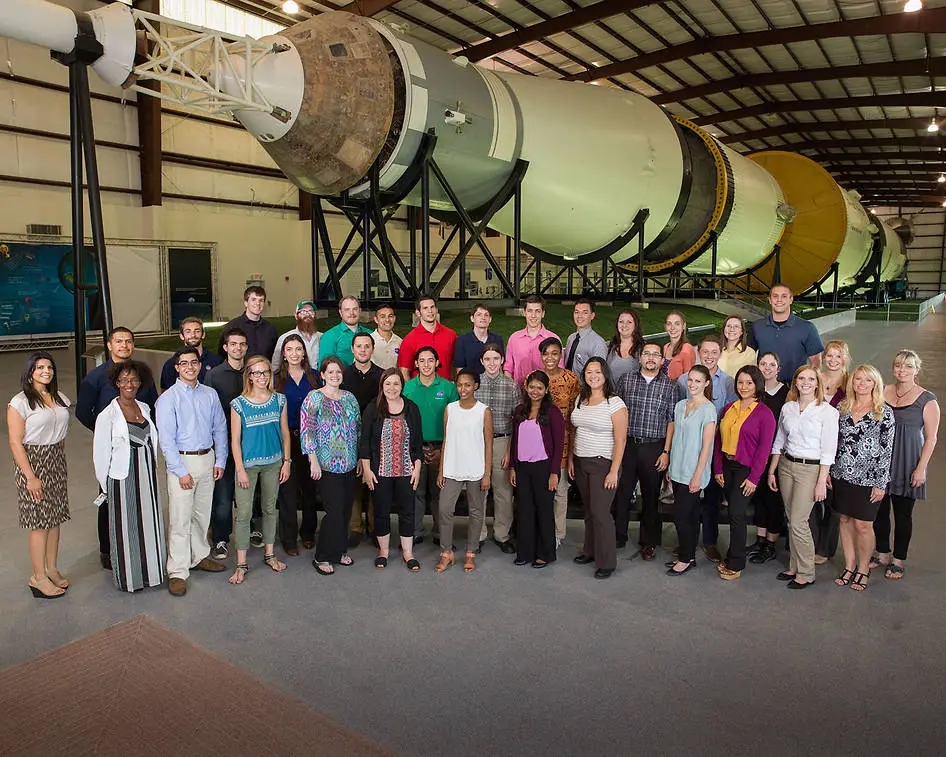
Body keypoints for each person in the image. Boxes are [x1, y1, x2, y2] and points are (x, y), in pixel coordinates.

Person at [76, 326, 158, 571]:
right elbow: (82, 412)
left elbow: (152, 405)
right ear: (110, 345)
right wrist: (108, 435)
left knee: (137, 494)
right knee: (108, 497)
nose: (124, 346)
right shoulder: (96, 377)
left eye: (129, 341)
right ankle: (107, 550)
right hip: (113, 449)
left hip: (140, 446)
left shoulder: (141, 373)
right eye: (119, 341)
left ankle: (136, 542)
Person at [156, 347, 230, 597]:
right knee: (180, 519)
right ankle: (177, 571)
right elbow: (166, 441)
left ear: (200, 365)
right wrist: (180, 471)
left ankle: (198, 556)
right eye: (184, 363)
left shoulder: (209, 394)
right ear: (176, 367)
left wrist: (220, 460)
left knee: (201, 515)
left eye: (194, 362)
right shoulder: (168, 399)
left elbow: (220, 428)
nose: (190, 367)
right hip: (183, 464)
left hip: (207, 460)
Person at [93, 360, 165, 592]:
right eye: (124, 380)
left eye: (133, 379)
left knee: (148, 523)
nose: (129, 384)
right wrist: (105, 486)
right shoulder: (108, 415)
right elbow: (100, 454)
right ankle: (130, 579)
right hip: (122, 478)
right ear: (116, 383)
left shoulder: (144, 407)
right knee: (127, 528)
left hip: (146, 475)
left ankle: (151, 574)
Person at [871, 350, 940, 581]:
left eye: (908, 366)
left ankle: (898, 560)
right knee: (879, 511)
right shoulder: (883, 391)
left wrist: (921, 468)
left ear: (916, 370)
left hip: (908, 461)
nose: (903, 370)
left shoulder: (927, 399)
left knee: (903, 515)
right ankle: (882, 553)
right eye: (899, 365)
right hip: (883, 461)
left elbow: (931, 438)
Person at [768, 366, 839, 589]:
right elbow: (779, 440)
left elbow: (829, 450)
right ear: (795, 382)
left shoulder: (827, 412)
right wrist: (772, 470)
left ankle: (807, 572)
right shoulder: (788, 408)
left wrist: (821, 482)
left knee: (799, 521)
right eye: (801, 378)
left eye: (811, 379)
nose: (806, 382)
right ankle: (794, 565)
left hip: (811, 469)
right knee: (791, 518)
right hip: (787, 465)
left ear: (817, 383)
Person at [8, 352, 71, 599]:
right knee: (39, 522)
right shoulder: (20, 402)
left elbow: (61, 432)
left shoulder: (59, 397)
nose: (45, 371)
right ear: (30, 372)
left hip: (56, 459)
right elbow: (15, 443)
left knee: (54, 518)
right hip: (33, 462)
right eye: (39, 367)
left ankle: (51, 568)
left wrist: (57, 459)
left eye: (49, 367)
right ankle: (38, 576)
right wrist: (30, 476)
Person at [831, 365, 895, 592]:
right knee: (845, 520)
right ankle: (849, 565)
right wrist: (829, 471)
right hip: (841, 474)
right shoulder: (842, 408)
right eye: (858, 379)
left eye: (867, 380)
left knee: (864, 525)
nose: (861, 383)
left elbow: (887, 451)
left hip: (869, 478)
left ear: (875, 384)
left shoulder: (883, 412)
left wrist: (881, 482)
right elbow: (834, 443)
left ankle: (863, 568)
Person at [228, 356, 290, 585]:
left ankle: (270, 554)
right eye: (256, 373)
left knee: (269, 509)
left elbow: (284, 433)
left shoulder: (279, 400)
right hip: (248, 467)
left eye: (265, 372)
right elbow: (235, 440)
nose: (261, 377)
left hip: (274, 463)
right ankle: (241, 564)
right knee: (244, 514)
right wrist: (240, 469)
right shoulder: (238, 404)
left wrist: (287, 461)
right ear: (249, 376)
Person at [712, 366, 776, 580]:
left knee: (737, 513)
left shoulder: (764, 414)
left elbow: (764, 450)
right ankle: (732, 554)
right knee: (733, 513)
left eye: (749, 382)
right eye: (740, 382)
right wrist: (718, 468)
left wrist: (754, 478)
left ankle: (736, 563)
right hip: (727, 467)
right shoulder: (729, 408)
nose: (744, 386)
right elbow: (719, 440)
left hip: (746, 469)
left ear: (757, 384)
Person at [676, 334, 736, 563]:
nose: (709, 356)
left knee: (711, 498)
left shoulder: (728, 382)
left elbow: (730, 414)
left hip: (715, 446)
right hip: (689, 448)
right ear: (698, 352)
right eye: (705, 352)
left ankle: (710, 542)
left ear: (720, 354)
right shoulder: (684, 380)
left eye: (714, 352)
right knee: (687, 501)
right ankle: (687, 542)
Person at [614, 343, 677, 557]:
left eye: (655, 354)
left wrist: (666, 452)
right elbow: (616, 412)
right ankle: (617, 536)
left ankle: (648, 541)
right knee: (622, 493)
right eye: (647, 354)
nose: (651, 358)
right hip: (628, 444)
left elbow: (671, 421)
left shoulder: (670, 386)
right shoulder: (626, 380)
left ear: (662, 360)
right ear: (640, 357)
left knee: (651, 496)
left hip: (655, 447)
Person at [301, 356, 362, 575]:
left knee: (346, 511)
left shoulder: (350, 398)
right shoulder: (314, 398)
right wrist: (313, 459)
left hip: (349, 463)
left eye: (338, 372)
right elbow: (307, 431)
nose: (335, 375)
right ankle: (322, 556)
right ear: (323, 375)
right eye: (331, 372)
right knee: (334, 511)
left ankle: (339, 551)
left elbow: (358, 430)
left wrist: (360, 460)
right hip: (326, 465)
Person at [359, 368, 423, 571]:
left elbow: (418, 443)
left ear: (402, 386)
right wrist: (367, 470)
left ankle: (408, 553)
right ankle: (383, 552)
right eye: (388, 384)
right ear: (382, 386)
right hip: (381, 471)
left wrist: (417, 468)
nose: (392, 388)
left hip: (406, 469)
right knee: (381, 512)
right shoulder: (373, 408)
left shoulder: (411, 408)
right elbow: (366, 441)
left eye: (396, 383)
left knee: (407, 512)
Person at [570, 358, 628, 579]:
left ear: (605, 375)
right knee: (589, 511)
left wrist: (614, 470)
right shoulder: (581, 399)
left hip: (603, 463)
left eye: (597, 372)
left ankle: (606, 562)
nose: (593, 376)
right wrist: (571, 461)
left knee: (601, 512)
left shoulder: (615, 403)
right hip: (581, 461)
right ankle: (590, 550)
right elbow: (575, 429)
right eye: (589, 372)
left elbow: (621, 440)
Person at [204, 327, 255, 560]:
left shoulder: (254, 373)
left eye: (242, 344)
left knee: (250, 488)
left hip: (251, 443)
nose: (238, 348)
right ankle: (222, 538)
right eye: (233, 344)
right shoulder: (214, 375)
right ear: (225, 347)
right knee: (223, 494)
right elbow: (209, 413)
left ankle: (251, 528)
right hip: (223, 443)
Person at [435, 370, 493, 573]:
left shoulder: (483, 411)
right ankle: (446, 552)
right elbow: (446, 440)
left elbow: (488, 444)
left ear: (476, 386)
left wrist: (487, 473)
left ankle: (470, 551)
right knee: (444, 509)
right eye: (460, 385)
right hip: (452, 466)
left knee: (476, 511)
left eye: (468, 385)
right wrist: (441, 470)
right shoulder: (450, 409)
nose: (463, 389)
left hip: (476, 468)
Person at [509, 370, 565, 568]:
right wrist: (513, 467)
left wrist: (554, 473)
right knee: (524, 510)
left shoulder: (552, 413)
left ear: (546, 390)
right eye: (532, 386)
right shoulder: (519, 411)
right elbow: (515, 441)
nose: (535, 391)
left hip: (543, 469)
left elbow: (559, 445)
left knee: (543, 510)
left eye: (540, 388)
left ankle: (545, 553)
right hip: (523, 468)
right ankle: (525, 551)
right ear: (526, 387)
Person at [402, 346, 459, 543]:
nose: (426, 364)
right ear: (416, 364)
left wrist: (443, 450)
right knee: (416, 491)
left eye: (430, 360)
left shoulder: (448, 388)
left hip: (441, 447)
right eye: (422, 360)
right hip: (414, 448)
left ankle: (439, 532)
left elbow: (455, 421)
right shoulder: (408, 388)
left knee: (439, 492)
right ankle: (416, 532)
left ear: (437, 363)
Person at [666, 366, 716, 576]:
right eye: (691, 380)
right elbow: (676, 435)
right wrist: (669, 464)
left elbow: (706, 446)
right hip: (677, 468)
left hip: (693, 472)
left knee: (681, 515)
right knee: (691, 514)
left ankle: (685, 558)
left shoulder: (708, 409)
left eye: (698, 381)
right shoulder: (680, 406)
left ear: (706, 383)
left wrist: (697, 475)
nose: (693, 384)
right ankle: (691, 554)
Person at [274, 334, 321, 556]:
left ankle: (309, 532)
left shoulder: (313, 379)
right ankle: (288, 537)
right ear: (283, 353)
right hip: (286, 439)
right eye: (289, 349)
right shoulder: (276, 380)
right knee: (288, 490)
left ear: (304, 352)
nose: (294, 353)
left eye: (298, 349)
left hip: (310, 438)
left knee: (310, 489)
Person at [474, 342, 521, 553]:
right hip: (478, 442)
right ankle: (479, 534)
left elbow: (517, 420)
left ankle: (502, 534)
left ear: (502, 360)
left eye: (495, 358)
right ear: (481, 362)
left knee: (503, 491)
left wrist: (511, 450)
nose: (491, 363)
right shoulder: (475, 384)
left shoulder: (511, 386)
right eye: (487, 359)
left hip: (503, 441)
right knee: (479, 490)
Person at [747, 352, 789, 564]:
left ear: (778, 369)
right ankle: (760, 539)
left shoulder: (787, 393)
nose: (767, 367)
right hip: (756, 454)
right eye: (763, 364)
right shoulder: (755, 393)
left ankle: (771, 543)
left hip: (776, 454)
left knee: (773, 499)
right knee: (760, 497)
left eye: (772, 364)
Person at [811, 338, 851, 565]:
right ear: (823, 357)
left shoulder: (850, 383)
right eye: (830, 355)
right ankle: (812, 542)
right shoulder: (815, 378)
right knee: (812, 500)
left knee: (832, 502)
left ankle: (825, 548)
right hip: (811, 448)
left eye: (838, 356)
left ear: (844, 359)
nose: (833, 360)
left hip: (838, 449)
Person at [342, 333, 384, 546]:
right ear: (352, 349)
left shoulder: (382, 376)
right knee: (354, 485)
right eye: (359, 346)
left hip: (377, 437)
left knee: (375, 483)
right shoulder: (344, 376)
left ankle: (377, 528)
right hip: (350, 437)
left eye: (367, 346)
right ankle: (355, 527)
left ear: (372, 349)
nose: (363, 350)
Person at [540, 337, 581, 547]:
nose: (550, 358)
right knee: (540, 490)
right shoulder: (533, 378)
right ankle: (541, 530)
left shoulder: (571, 380)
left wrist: (572, 453)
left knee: (560, 491)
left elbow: (575, 418)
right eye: (546, 353)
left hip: (563, 444)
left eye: (554, 353)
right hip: (537, 446)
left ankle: (558, 533)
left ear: (561, 355)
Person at [748, 284, 823, 382]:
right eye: (775, 296)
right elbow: (747, 356)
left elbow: (816, 362)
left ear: (791, 299)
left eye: (784, 296)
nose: (779, 300)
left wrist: (810, 385)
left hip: (795, 388)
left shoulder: (807, 327)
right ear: (770, 300)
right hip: (765, 387)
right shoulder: (757, 326)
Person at [397, 294, 458, 381]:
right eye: (425, 308)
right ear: (418, 313)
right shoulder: (409, 339)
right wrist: (409, 392)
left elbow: (457, 364)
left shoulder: (451, 335)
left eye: (432, 307)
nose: (430, 311)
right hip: (420, 391)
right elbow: (404, 371)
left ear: (436, 310)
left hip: (445, 390)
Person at [504, 295, 560, 384]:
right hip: (519, 392)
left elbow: (559, 370)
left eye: (537, 311)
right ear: (524, 313)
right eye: (530, 311)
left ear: (543, 313)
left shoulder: (553, 339)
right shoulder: (514, 339)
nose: (533, 315)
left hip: (545, 394)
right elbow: (508, 368)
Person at [159, 317, 221, 390]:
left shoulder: (217, 361)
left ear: (203, 334)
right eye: (188, 332)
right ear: (182, 336)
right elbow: (166, 393)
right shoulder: (171, 364)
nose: (193, 335)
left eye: (197, 331)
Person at [218, 285, 277, 360]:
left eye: (261, 300)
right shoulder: (232, 327)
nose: (258, 303)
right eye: (253, 299)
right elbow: (222, 354)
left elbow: (274, 355)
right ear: (246, 303)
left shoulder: (270, 329)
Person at [318, 295, 372, 366]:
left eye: (355, 309)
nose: (351, 313)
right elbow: (324, 367)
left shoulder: (370, 334)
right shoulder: (329, 336)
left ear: (360, 311)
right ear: (340, 313)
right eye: (347, 309)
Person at [454, 302, 505, 375]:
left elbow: (500, 366)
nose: (483, 318)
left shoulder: (497, 339)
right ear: (472, 318)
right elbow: (460, 368)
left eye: (486, 315)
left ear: (490, 319)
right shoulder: (462, 340)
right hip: (471, 383)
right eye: (479, 315)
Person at [563, 299, 608, 379]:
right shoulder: (571, 338)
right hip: (566, 386)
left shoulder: (598, 343)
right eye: (577, 312)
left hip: (584, 389)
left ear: (592, 316)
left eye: (585, 312)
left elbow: (599, 374)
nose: (579, 316)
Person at [272, 300, 322, 371]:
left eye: (311, 311)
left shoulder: (322, 337)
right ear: (296, 316)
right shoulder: (285, 338)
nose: (307, 314)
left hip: (318, 380)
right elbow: (275, 365)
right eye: (303, 312)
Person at [606, 309, 644, 385]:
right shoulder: (610, 347)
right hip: (611, 395)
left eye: (629, 322)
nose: (624, 325)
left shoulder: (643, 348)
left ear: (635, 325)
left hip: (633, 395)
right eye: (621, 322)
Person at [662, 310, 696, 381]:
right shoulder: (665, 347)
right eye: (669, 324)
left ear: (683, 326)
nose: (672, 328)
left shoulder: (687, 349)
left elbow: (688, 378)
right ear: (665, 326)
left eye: (677, 324)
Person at [370, 302, 402, 370]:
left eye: (390, 316)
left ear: (394, 318)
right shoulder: (369, 340)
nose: (387, 320)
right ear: (376, 319)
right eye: (383, 316)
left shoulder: (400, 342)